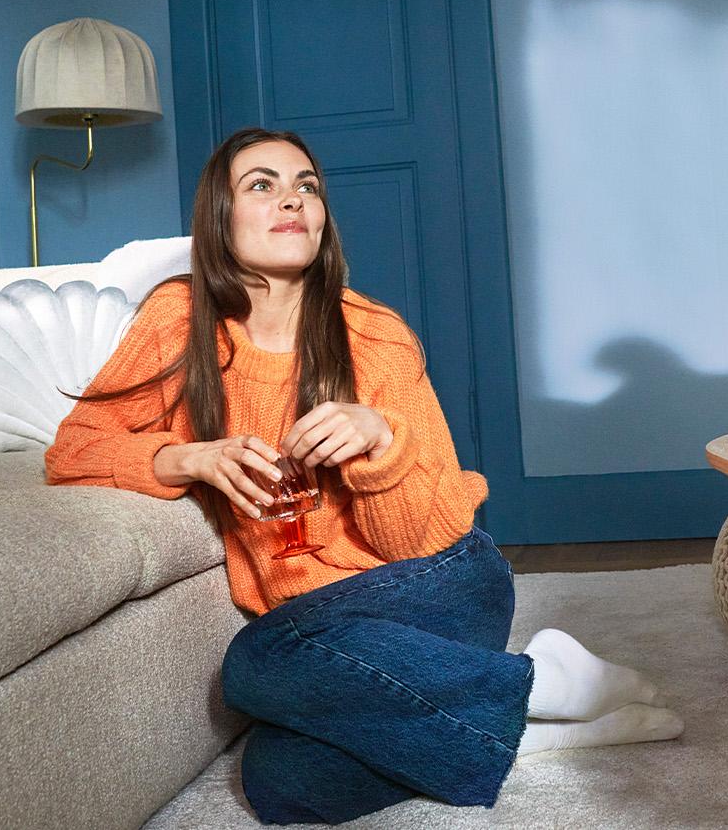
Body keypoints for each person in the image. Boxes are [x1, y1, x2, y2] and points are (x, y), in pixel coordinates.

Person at [44, 127, 683, 824]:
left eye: (307, 186)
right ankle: (531, 709)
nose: (293, 199)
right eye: (262, 184)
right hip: (326, 625)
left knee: (255, 664)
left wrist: (380, 442)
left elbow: (423, 538)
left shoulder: (373, 332)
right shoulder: (180, 318)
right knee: (278, 784)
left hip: (446, 584)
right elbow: (74, 451)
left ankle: (526, 693)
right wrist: (189, 456)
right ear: (219, 216)